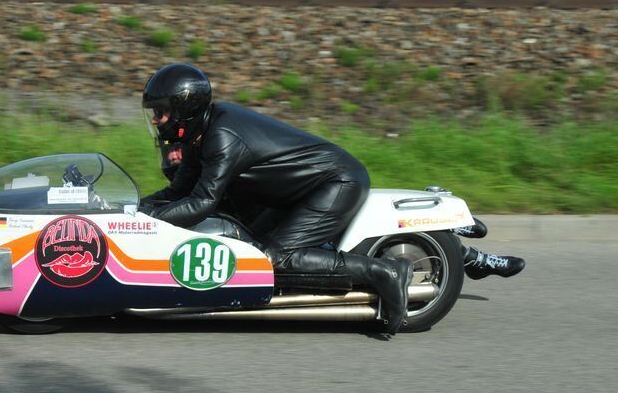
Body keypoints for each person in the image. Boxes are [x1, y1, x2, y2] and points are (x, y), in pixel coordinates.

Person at [139, 63, 523, 335]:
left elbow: (203, 202)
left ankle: (385, 273)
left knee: (277, 258)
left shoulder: (222, 137)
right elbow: (178, 193)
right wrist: (133, 210)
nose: (156, 121)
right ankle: (466, 258)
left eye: (161, 112)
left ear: (185, 109)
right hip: (293, 189)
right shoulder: (198, 136)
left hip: (332, 183)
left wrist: (148, 221)